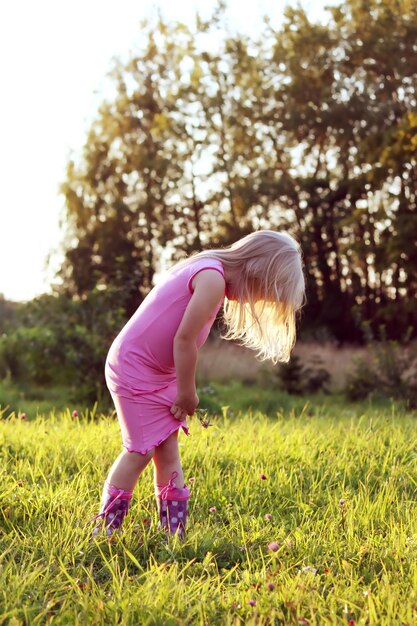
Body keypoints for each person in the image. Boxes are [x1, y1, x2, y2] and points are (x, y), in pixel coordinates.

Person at [89, 230, 305, 538]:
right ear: (257, 270)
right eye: (262, 293)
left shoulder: (212, 270)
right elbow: (184, 339)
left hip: (159, 371)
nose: (256, 300)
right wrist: (187, 392)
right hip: (136, 367)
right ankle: (104, 532)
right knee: (140, 451)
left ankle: (173, 534)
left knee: (167, 451)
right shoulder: (212, 277)